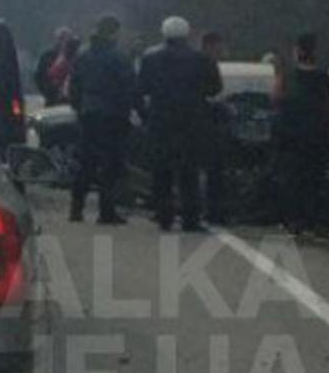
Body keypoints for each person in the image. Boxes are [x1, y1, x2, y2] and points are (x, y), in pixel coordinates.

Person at [139, 16, 222, 232]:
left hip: (161, 120)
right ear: (187, 33)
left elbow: (141, 87)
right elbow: (215, 87)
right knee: (189, 171)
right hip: (191, 120)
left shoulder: (150, 58)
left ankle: (164, 215)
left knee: (162, 170)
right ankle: (190, 218)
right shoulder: (201, 59)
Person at [69, 16, 137, 225]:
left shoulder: (83, 54)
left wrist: (79, 107)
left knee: (86, 161)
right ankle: (106, 211)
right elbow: (128, 87)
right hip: (112, 114)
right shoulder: (119, 56)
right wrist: (130, 111)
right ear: (114, 32)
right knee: (110, 163)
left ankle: (76, 209)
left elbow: (75, 85)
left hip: (88, 112)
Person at [273, 33, 329, 233]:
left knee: (294, 180)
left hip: (293, 138)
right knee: (317, 180)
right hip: (318, 137)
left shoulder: (287, 77)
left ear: (298, 51)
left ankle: (295, 220)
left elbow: (275, 100)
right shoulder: (325, 79)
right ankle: (317, 221)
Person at [201, 31, 230, 225]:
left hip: (199, 125)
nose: (222, 51)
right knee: (212, 171)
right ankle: (213, 211)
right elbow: (215, 90)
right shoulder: (206, 64)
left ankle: (210, 210)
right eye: (219, 46)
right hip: (207, 127)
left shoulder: (195, 62)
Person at [34, 27, 74, 106]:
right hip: (52, 99)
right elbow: (39, 76)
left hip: (71, 100)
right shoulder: (47, 56)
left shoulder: (76, 57)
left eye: (67, 39)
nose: (64, 41)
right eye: (61, 38)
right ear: (56, 40)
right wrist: (48, 91)